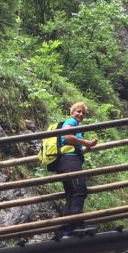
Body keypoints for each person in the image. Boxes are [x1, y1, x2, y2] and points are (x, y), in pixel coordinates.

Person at [54, 101, 98, 236]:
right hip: (69, 160)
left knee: (71, 194)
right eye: (78, 111)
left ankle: (65, 229)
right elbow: (67, 136)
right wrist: (86, 142)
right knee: (80, 189)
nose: (80, 114)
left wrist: (85, 146)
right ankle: (77, 223)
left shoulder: (75, 127)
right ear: (72, 112)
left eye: (83, 112)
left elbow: (70, 142)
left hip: (67, 160)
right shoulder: (71, 121)